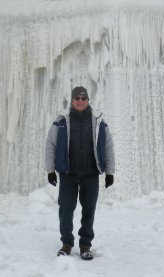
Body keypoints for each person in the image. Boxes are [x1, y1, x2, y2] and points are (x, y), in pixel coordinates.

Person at [45, 86, 115, 260]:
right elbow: (50, 146)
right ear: (72, 100)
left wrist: (110, 172)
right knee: (66, 210)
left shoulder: (99, 121)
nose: (80, 101)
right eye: (77, 98)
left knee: (89, 210)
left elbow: (108, 147)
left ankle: (85, 245)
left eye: (83, 98)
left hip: (90, 174)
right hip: (68, 174)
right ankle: (67, 243)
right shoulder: (61, 121)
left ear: (88, 100)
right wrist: (50, 170)